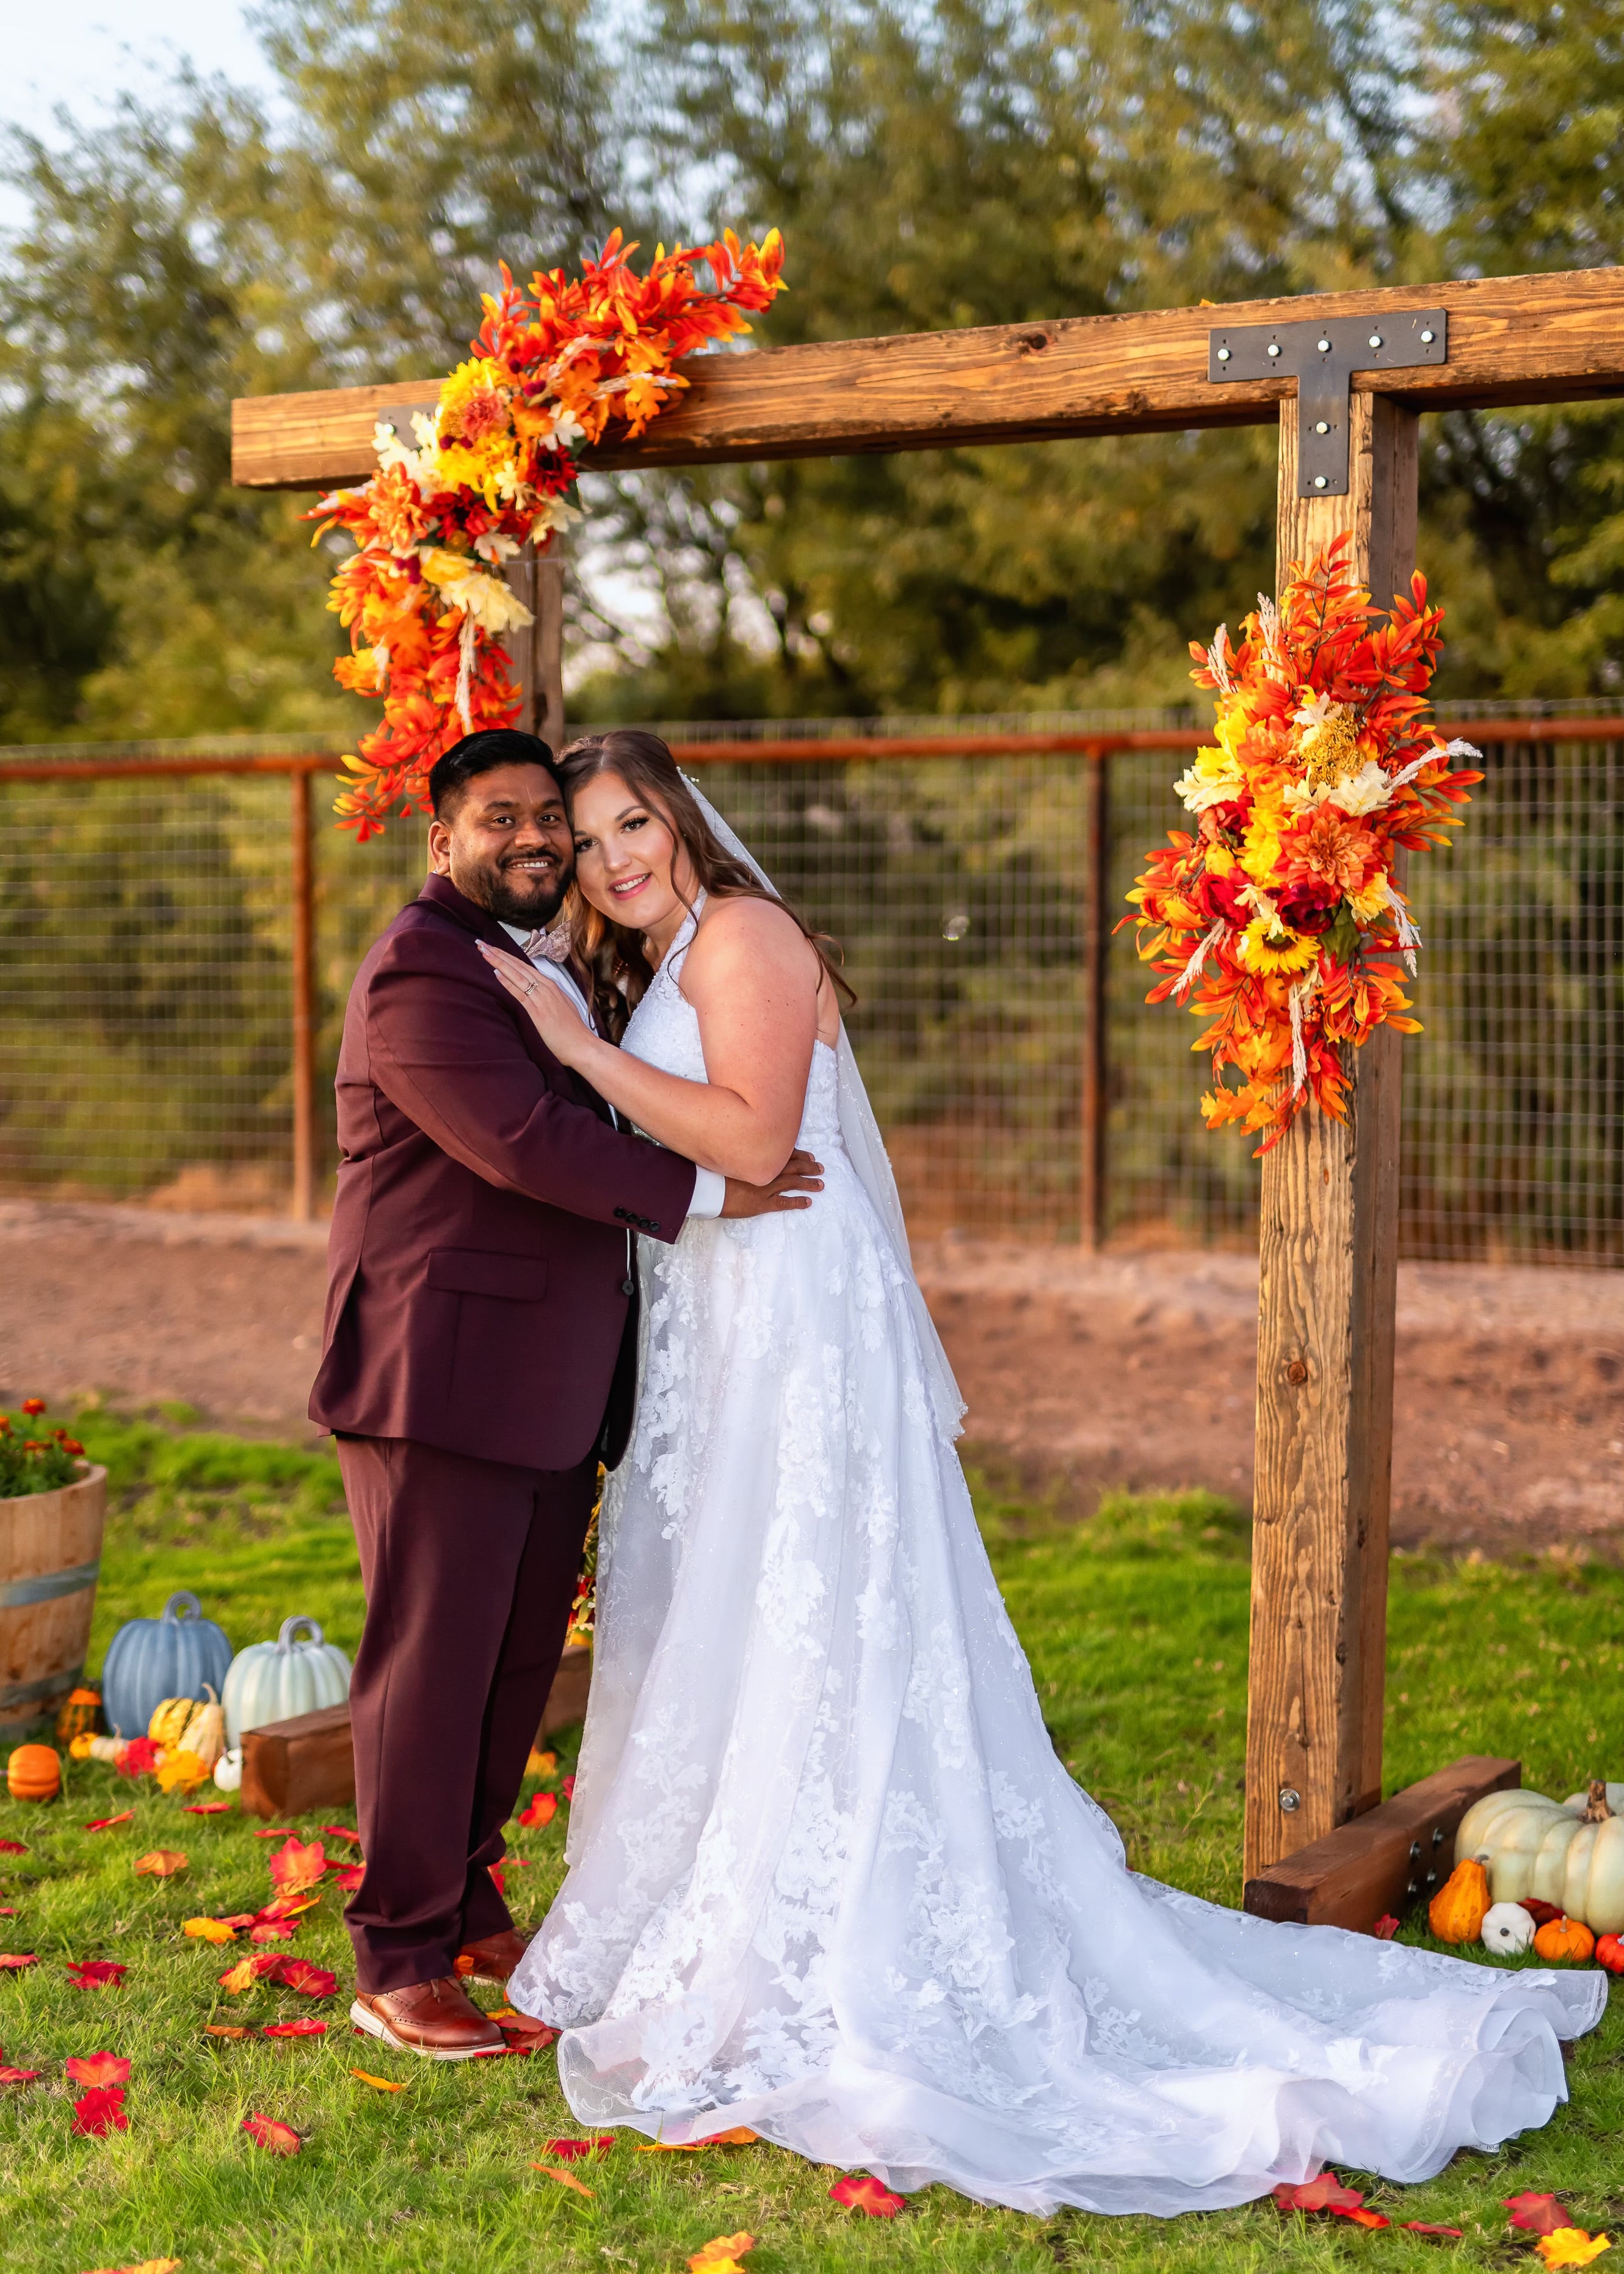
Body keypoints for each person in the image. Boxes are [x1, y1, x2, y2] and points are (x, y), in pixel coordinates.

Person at [490, 727, 1604, 2215]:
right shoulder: (664, 954)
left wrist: (571, 1052)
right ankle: (732, 1906)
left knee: (810, 1609)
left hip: (794, 1329)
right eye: (591, 834)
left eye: (635, 820)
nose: (617, 853)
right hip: (729, 1319)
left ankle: (822, 1925)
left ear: (680, 818)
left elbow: (755, 1135)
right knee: (740, 1618)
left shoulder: (741, 936)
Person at [308, 727, 821, 2060]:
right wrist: (718, 1195)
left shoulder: (555, 966)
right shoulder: (421, 974)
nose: (539, 841)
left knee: (511, 1666)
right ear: (443, 839)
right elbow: (525, 1143)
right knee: (430, 1670)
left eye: (556, 820)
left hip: (544, 1382)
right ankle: (400, 1953)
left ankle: (473, 1904)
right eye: (504, 820)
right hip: (439, 1379)